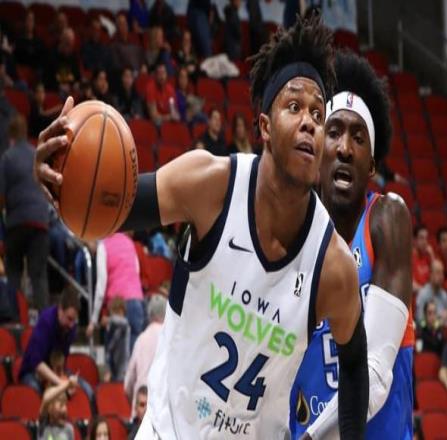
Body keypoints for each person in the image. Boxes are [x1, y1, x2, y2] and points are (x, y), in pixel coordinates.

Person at [35, 15, 368, 439]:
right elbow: (114, 206)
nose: (309, 122)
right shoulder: (211, 186)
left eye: (319, 115)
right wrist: (62, 180)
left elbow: (354, 362)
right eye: (294, 107)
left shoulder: (332, 265)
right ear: (265, 127)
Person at [290, 50, 414, 439]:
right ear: (318, 149)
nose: (344, 147)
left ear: (371, 164)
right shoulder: (291, 236)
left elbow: (373, 376)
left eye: (358, 138)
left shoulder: (386, 219)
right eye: (334, 132)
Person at [0, 113, 50, 310]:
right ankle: (43, 317)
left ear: (11, 136)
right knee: (38, 276)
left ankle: (15, 317)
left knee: (13, 272)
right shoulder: (37, 154)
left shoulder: (7, 157)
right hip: (41, 222)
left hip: (17, 223)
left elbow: (1, 196)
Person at [19, 286, 94, 403]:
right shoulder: (46, 321)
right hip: (33, 372)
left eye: (74, 320)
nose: (72, 325)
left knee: (87, 390)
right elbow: (36, 363)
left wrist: (66, 380)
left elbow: (62, 359)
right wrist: (62, 384)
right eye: (69, 319)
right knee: (36, 392)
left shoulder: (71, 327)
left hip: (56, 369)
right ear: (60, 310)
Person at [86, 232, 145, 351]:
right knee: (135, 353)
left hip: (118, 306)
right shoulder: (129, 242)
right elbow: (137, 270)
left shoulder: (103, 246)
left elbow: (101, 285)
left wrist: (93, 320)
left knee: (117, 356)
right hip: (137, 301)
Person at [125, 294, 167, 414]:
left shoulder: (141, 339)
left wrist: (135, 401)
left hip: (141, 409)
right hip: (162, 410)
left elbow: (129, 381)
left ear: (149, 314)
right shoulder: (170, 340)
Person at [38, 376, 78, 440]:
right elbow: (46, 399)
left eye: (65, 404)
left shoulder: (69, 429)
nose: (64, 409)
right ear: (49, 409)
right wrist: (68, 384)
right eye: (61, 405)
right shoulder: (44, 425)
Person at [416, 259, 447, 326]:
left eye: (442, 273)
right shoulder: (423, 294)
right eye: (438, 272)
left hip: (442, 331)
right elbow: (420, 321)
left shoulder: (445, 296)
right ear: (431, 274)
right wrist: (438, 321)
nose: (441, 276)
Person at [105, 296, 131, 381]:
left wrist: (109, 319)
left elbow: (123, 322)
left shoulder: (125, 326)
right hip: (113, 366)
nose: (114, 317)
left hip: (123, 367)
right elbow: (109, 350)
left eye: (116, 313)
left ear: (122, 311)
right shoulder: (112, 329)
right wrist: (108, 369)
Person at [146, 62, 179, 126]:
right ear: (155, 75)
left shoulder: (170, 90)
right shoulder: (150, 88)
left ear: (166, 74)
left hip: (168, 122)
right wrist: (170, 117)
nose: (162, 76)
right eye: (159, 73)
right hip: (155, 124)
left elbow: (174, 112)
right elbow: (154, 117)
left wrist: (173, 115)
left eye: (163, 73)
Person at [412, 224, 434, 294]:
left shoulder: (428, 256)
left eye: (426, 238)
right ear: (414, 240)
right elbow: (411, 285)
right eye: (421, 238)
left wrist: (432, 256)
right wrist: (426, 292)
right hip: (417, 296)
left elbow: (436, 278)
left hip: (429, 294)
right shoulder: (410, 258)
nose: (425, 242)